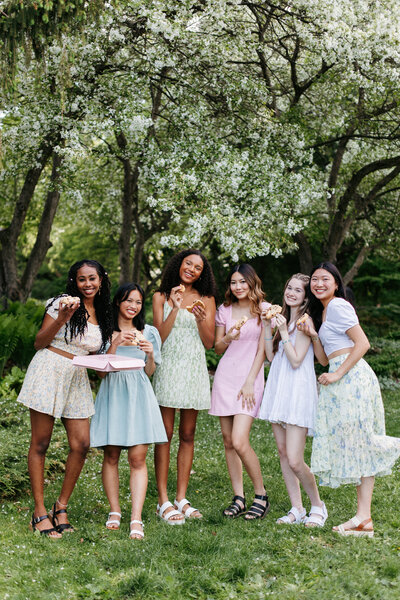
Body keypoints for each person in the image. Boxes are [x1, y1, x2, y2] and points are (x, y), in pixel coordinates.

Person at [298, 261, 400, 537]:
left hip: (352, 377)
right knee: (358, 443)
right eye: (315, 280)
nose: (318, 284)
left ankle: (363, 516)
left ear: (336, 282)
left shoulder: (340, 306)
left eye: (325, 279)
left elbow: (363, 343)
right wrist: (313, 335)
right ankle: (363, 518)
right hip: (338, 374)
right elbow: (322, 359)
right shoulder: (325, 311)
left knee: (363, 441)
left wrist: (339, 374)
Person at [17, 259, 113, 538]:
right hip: (49, 369)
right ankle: (38, 512)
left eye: (92, 278)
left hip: (77, 376)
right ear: (74, 281)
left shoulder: (103, 311)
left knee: (81, 444)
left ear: (101, 279)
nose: (88, 284)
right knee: (41, 443)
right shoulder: (62, 302)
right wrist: (62, 318)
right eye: (82, 279)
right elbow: (39, 342)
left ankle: (60, 507)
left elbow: (94, 354)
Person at [90, 283, 167, 540]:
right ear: (118, 303)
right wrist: (114, 344)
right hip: (113, 391)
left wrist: (151, 354)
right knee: (111, 455)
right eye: (128, 301)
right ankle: (115, 511)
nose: (133, 306)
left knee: (137, 458)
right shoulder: (104, 331)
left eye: (137, 302)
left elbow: (150, 372)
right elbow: (100, 372)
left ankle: (136, 517)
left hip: (138, 393)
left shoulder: (149, 332)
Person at [152, 249, 216, 524]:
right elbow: (159, 339)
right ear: (178, 265)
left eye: (198, 267)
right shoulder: (160, 297)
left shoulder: (207, 299)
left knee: (187, 434)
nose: (192, 269)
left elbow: (209, 342)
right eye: (188, 263)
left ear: (202, 273)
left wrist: (201, 319)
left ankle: (181, 497)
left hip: (193, 369)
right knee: (165, 433)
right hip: (168, 367)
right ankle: (163, 500)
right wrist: (176, 308)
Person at [259, 274, 327, 527]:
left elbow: (297, 359)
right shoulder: (283, 319)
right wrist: (269, 328)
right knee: (283, 453)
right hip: (279, 388)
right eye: (289, 287)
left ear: (306, 296)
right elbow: (270, 356)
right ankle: (297, 508)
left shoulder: (304, 321)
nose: (291, 293)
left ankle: (318, 506)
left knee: (295, 458)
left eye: (298, 290)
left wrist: (283, 331)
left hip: (298, 390)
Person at [210, 264, 270, 521]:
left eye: (242, 282)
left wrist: (250, 381)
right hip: (225, 377)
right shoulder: (224, 310)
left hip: (250, 378)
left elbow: (262, 350)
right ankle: (239, 497)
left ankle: (261, 496)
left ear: (251, 282)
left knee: (239, 440)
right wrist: (229, 337)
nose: (238, 287)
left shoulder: (265, 310)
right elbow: (217, 348)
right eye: (233, 282)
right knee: (227, 441)